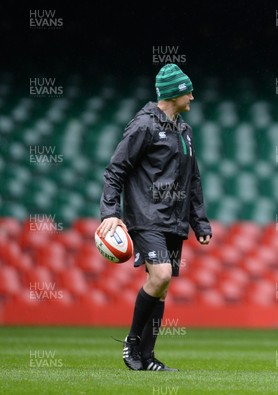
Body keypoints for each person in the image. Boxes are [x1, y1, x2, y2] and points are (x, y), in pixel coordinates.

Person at [97, 63, 212, 371]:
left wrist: (199, 221)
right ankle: (132, 344)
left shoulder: (185, 131)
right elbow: (115, 170)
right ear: (175, 93)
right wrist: (110, 212)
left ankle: (147, 358)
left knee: (161, 286)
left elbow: (193, 179)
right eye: (188, 90)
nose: (193, 96)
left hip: (173, 220)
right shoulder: (144, 126)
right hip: (146, 216)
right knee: (159, 276)